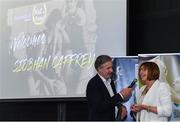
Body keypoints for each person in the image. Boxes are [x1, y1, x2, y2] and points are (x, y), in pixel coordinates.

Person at [86, 55, 133, 121]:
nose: (111, 70)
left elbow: (111, 101)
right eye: (108, 68)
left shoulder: (110, 81)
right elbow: (99, 107)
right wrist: (121, 95)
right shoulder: (93, 84)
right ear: (99, 69)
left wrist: (120, 107)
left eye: (112, 67)